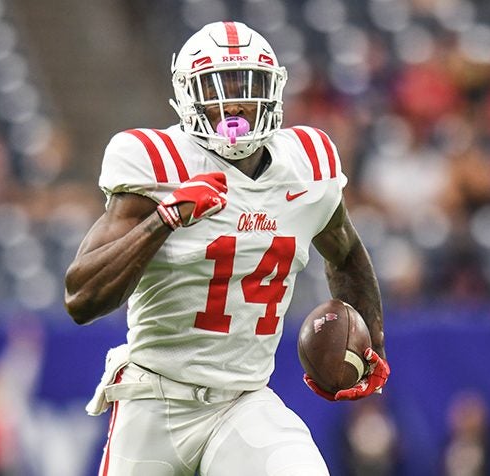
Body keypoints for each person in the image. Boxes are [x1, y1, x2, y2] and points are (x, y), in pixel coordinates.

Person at [64, 21, 390, 476]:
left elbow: (346, 251)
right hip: (154, 399)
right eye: (216, 88)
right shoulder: (157, 162)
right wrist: (166, 219)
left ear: (273, 90)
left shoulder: (306, 164)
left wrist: (369, 347)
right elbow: (81, 298)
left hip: (244, 402)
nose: (234, 103)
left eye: (246, 86)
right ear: (186, 97)